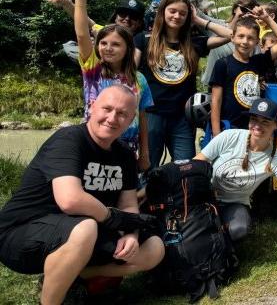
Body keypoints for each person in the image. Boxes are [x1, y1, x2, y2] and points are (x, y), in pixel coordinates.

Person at [0, 86, 164, 305]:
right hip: (21, 232)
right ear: (92, 106)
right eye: (107, 108)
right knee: (85, 227)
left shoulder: (124, 154)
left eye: (122, 114)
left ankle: (73, 274)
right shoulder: (69, 140)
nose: (112, 118)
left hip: (83, 234)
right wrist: (111, 218)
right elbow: (70, 200)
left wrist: (131, 233)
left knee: (154, 248)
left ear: (131, 119)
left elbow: (128, 203)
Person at [134, 0, 232, 167]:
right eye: (172, 11)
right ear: (163, 11)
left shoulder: (194, 42)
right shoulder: (143, 39)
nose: (177, 16)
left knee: (185, 169)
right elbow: (130, 72)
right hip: (150, 114)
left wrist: (199, 20)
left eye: (182, 13)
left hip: (183, 118)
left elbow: (230, 35)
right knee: (148, 167)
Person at [194, 98, 277, 242]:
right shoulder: (229, 136)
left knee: (239, 230)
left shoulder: (276, 158)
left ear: (276, 125)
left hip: (235, 205)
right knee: (195, 228)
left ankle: (219, 244)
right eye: (254, 119)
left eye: (265, 121)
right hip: (206, 198)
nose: (257, 126)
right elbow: (196, 164)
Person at [71, 0, 153, 173]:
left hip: (128, 149)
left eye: (116, 44)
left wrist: (145, 155)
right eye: (104, 43)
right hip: (94, 144)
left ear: (128, 48)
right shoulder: (93, 70)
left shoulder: (138, 79)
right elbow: (82, 34)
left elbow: (142, 119)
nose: (108, 48)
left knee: (123, 197)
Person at [209, 14, 277, 136]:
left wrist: (266, 18)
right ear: (232, 37)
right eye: (241, 36)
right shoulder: (223, 64)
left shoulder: (259, 62)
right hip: (229, 128)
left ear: (257, 41)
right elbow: (216, 100)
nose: (245, 42)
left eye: (250, 38)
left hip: (254, 130)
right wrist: (216, 132)